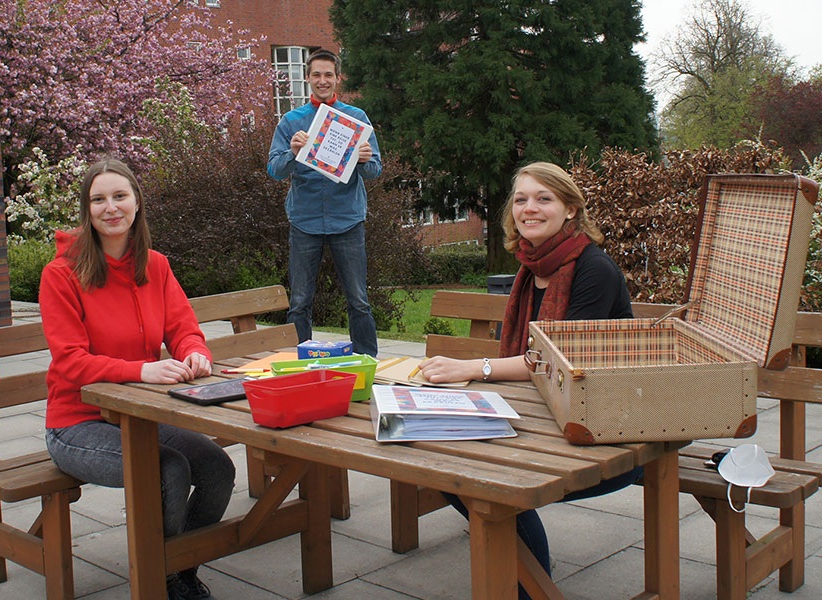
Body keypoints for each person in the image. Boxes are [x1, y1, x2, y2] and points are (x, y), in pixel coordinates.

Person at [419, 161, 638, 600]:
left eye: (544, 198)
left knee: (494, 483)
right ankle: (527, 575)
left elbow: (555, 361)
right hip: (544, 410)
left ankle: (528, 587)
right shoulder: (531, 266)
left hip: (608, 428)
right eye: (521, 199)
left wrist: (472, 368)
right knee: (441, 460)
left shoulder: (593, 269)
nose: (529, 208)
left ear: (571, 209)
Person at [39, 158, 235, 600]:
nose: (110, 207)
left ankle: (180, 566)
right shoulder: (62, 274)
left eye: (119, 196)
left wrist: (195, 353)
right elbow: (70, 361)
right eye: (98, 199)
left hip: (139, 416)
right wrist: (142, 370)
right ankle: (162, 579)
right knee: (168, 469)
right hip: (77, 423)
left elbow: (184, 328)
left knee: (216, 467)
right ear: (86, 210)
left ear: (137, 202)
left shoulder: (155, 265)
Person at [267, 48, 382, 356]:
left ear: (337, 78)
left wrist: (364, 159)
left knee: (358, 299)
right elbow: (274, 169)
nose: (322, 80)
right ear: (308, 78)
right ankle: (297, 361)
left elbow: (375, 170)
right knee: (301, 301)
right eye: (316, 74)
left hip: (347, 220)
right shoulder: (292, 122)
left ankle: (367, 363)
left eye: (328, 75)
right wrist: (292, 152)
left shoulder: (356, 119)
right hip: (305, 221)